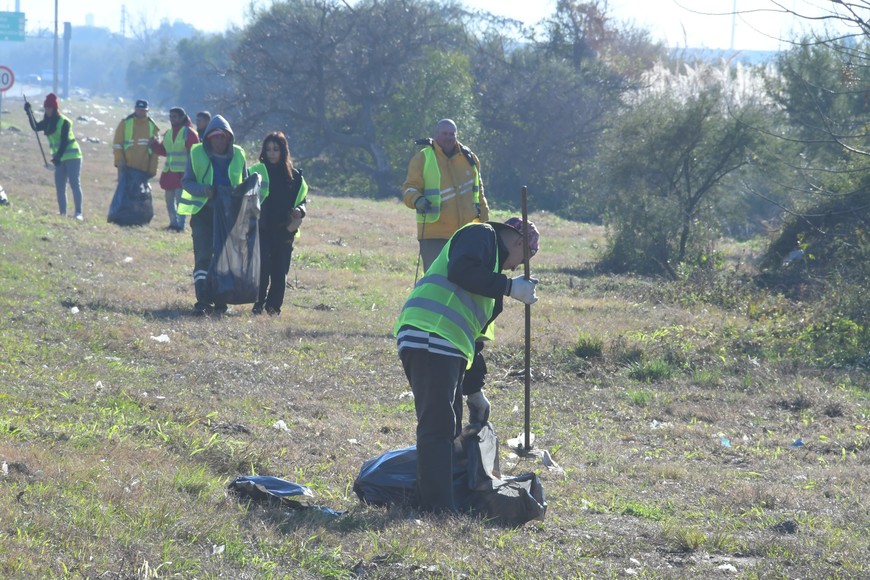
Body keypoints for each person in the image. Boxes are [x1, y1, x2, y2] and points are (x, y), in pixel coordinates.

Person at [394, 217, 540, 514]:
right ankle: (437, 510)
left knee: (445, 426)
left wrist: (475, 392)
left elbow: (474, 341)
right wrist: (509, 287)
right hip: (430, 333)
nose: (515, 268)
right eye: (525, 257)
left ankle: (439, 500)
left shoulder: (490, 283)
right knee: (438, 427)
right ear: (517, 241)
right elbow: (461, 270)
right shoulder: (481, 234)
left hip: (446, 345)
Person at [179, 114, 249, 316]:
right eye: (214, 137)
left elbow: (244, 184)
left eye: (222, 137)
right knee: (203, 257)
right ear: (208, 137)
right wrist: (205, 190)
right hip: (203, 214)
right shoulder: (197, 153)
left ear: (228, 138)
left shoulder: (239, 155)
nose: (218, 140)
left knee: (224, 259)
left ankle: (221, 301)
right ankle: (203, 300)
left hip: (228, 217)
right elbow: (187, 182)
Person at [402, 118, 490, 272]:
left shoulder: (470, 158)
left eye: (452, 134)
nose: (448, 137)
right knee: (435, 278)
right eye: (444, 133)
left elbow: (478, 192)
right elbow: (409, 188)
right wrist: (417, 200)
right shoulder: (422, 158)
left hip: (467, 233)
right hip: (434, 235)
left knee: (465, 278)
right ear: (436, 134)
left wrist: (485, 221)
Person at [248, 132, 309, 316]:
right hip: (262, 228)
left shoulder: (296, 176)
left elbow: (303, 200)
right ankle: (258, 304)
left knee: (280, 271)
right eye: (268, 149)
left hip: (284, 230)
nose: (272, 153)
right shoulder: (255, 171)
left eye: (276, 149)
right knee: (263, 267)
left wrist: (300, 211)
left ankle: (274, 307)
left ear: (283, 151)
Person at [24, 93, 85, 220]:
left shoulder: (64, 122)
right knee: (60, 186)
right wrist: (29, 113)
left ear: (55, 109)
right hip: (60, 158)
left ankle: (78, 213)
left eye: (49, 108)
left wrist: (57, 158)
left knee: (74, 184)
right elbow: (35, 127)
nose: (47, 111)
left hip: (73, 156)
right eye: (46, 108)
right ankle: (63, 214)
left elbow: (64, 142)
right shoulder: (47, 122)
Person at [150, 107, 199, 232]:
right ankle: (173, 223)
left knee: (181, 201)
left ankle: (180, 226)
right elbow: (164, 151)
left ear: (182, 117)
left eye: (175, 116)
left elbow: (195, 154)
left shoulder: (190, 133)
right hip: (169, 174)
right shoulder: (169, 133)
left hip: (183, 175)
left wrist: (190, 173)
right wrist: (154, 145)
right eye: (171, 116)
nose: (172, 119)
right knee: (169, 201)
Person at [112, 99, 160, 180]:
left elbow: (155, 151)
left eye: (143, 110)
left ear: (147, 111)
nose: (140, 112)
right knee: (123, 192)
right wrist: (120, 161)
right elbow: (117, 145)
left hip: (144, 169)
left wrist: (152, 170)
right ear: (135, 109)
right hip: (126, 167)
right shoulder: (125, 123)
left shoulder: (152, 126)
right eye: (138, 110)